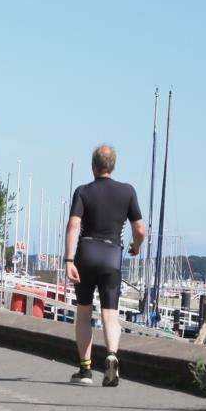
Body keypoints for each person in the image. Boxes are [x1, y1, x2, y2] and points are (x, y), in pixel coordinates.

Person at [65, 145, 145, 386]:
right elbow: (140, 229)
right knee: (110, 314)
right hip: (112, 256)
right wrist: (136, 246)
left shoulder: (82, 191)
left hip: (86, 254)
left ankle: (85, 370)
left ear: (93, 166)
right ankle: (111, 356)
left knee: (84, 312)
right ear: (113, 166)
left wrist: (69, 260)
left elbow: (73, 226)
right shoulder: (127, 191)